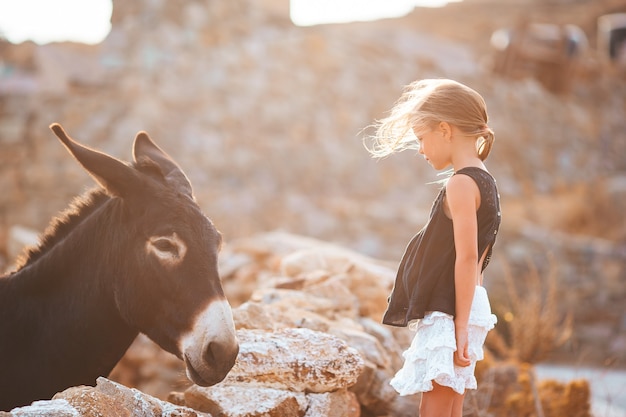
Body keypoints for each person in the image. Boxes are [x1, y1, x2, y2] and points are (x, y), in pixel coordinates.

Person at [366, 79, 501, 417]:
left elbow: (469, 257)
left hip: (450, 312)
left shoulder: (460, 184)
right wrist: (468, 322)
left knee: (436, 411)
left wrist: (457, 328)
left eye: (421, 138)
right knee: (450, 408)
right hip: (468, 306)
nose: (421, 149)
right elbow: (478, 263)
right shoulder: (486, 181)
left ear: (444, 130)